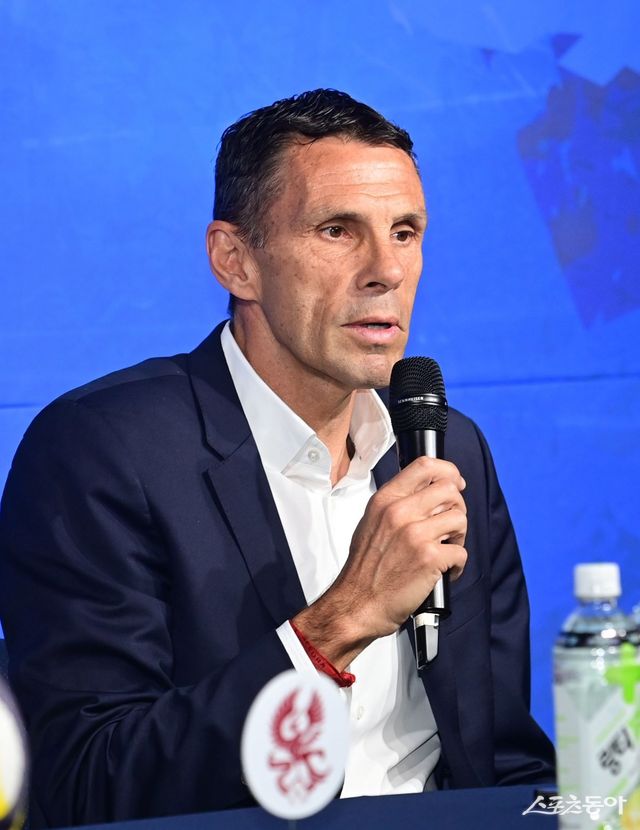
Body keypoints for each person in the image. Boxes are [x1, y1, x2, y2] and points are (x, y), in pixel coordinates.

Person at [0, 89, 555, 829]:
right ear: (236, 262)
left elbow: (502, 762)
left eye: (405, 232)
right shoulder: (101, 451)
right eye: (337, 230)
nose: (386, 270)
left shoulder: (447, 447)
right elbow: (88, 782)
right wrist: (338, 623)